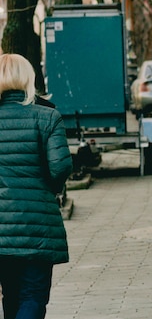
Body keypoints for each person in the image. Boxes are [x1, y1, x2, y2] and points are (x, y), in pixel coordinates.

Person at [0, 53, 73, 319]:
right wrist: (47, 188)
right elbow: (60, 167)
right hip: (37, 225)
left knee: (11, 293)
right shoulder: (47, 117)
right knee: (32, 295)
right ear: (28, 78)